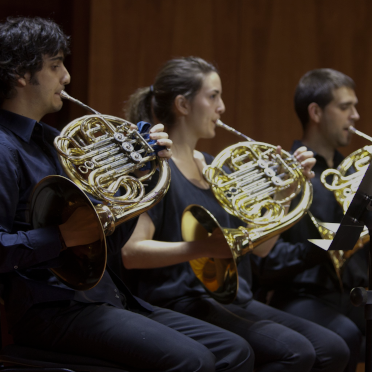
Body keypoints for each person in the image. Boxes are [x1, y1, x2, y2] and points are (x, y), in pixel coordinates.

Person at [0, 17, 255, 372]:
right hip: (50, 309)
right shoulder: (4, 148)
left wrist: (137, 179)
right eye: (55, 66)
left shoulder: (54, 143)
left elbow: (106, 239)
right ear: (21, 75)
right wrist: (59, 237)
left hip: (104, 295)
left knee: (234, 350)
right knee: (194, 361)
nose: (67, 78)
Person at [122, 57, 350, 372]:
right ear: (183, 105)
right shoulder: (156, 169)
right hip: (181, 299)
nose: (222, 107)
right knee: (295, 353)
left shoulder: (216, 168)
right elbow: (131, 253)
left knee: (332, 348)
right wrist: (202, 248)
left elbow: (261, 248)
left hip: (233, 296)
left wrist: (282, 198)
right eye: (213, 96)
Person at [253, 68, 366, 372]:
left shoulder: (356, 172)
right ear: (315, 112)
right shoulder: (282, 174)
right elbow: (265, 262)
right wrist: (325, 247)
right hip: (300, 294)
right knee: (346, 335)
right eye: (345, 107)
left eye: (355, 106)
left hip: (352, 292)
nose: (355, 115)